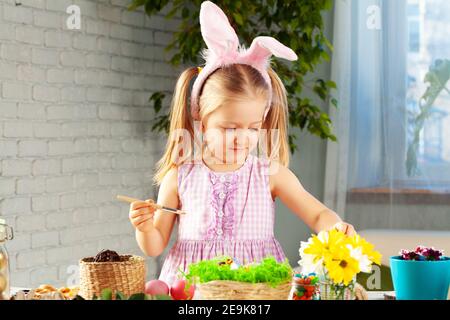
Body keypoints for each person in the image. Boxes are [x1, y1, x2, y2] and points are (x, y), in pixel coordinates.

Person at [128, 1, 355, 286]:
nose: (242, 137)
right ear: (201, 118)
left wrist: (336, 228)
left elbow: (318, 213)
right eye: (228, 127)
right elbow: (154, 245)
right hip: (192, 292)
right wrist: (144, 226)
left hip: (255, 292)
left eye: (253, 127)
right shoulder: (180, 176)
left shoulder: (270, 174)